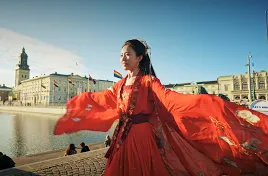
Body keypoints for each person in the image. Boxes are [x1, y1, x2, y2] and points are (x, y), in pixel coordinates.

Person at [54, 39, 268, 176]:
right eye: (121, 54)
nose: (123, 58)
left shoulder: (148, 81)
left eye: (128, 54)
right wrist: (82, 101)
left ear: (139, 58)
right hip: (121, 138)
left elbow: (169, 98)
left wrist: (209, 102)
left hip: (141, 137)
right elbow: (103, 99)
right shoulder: (119, 84)